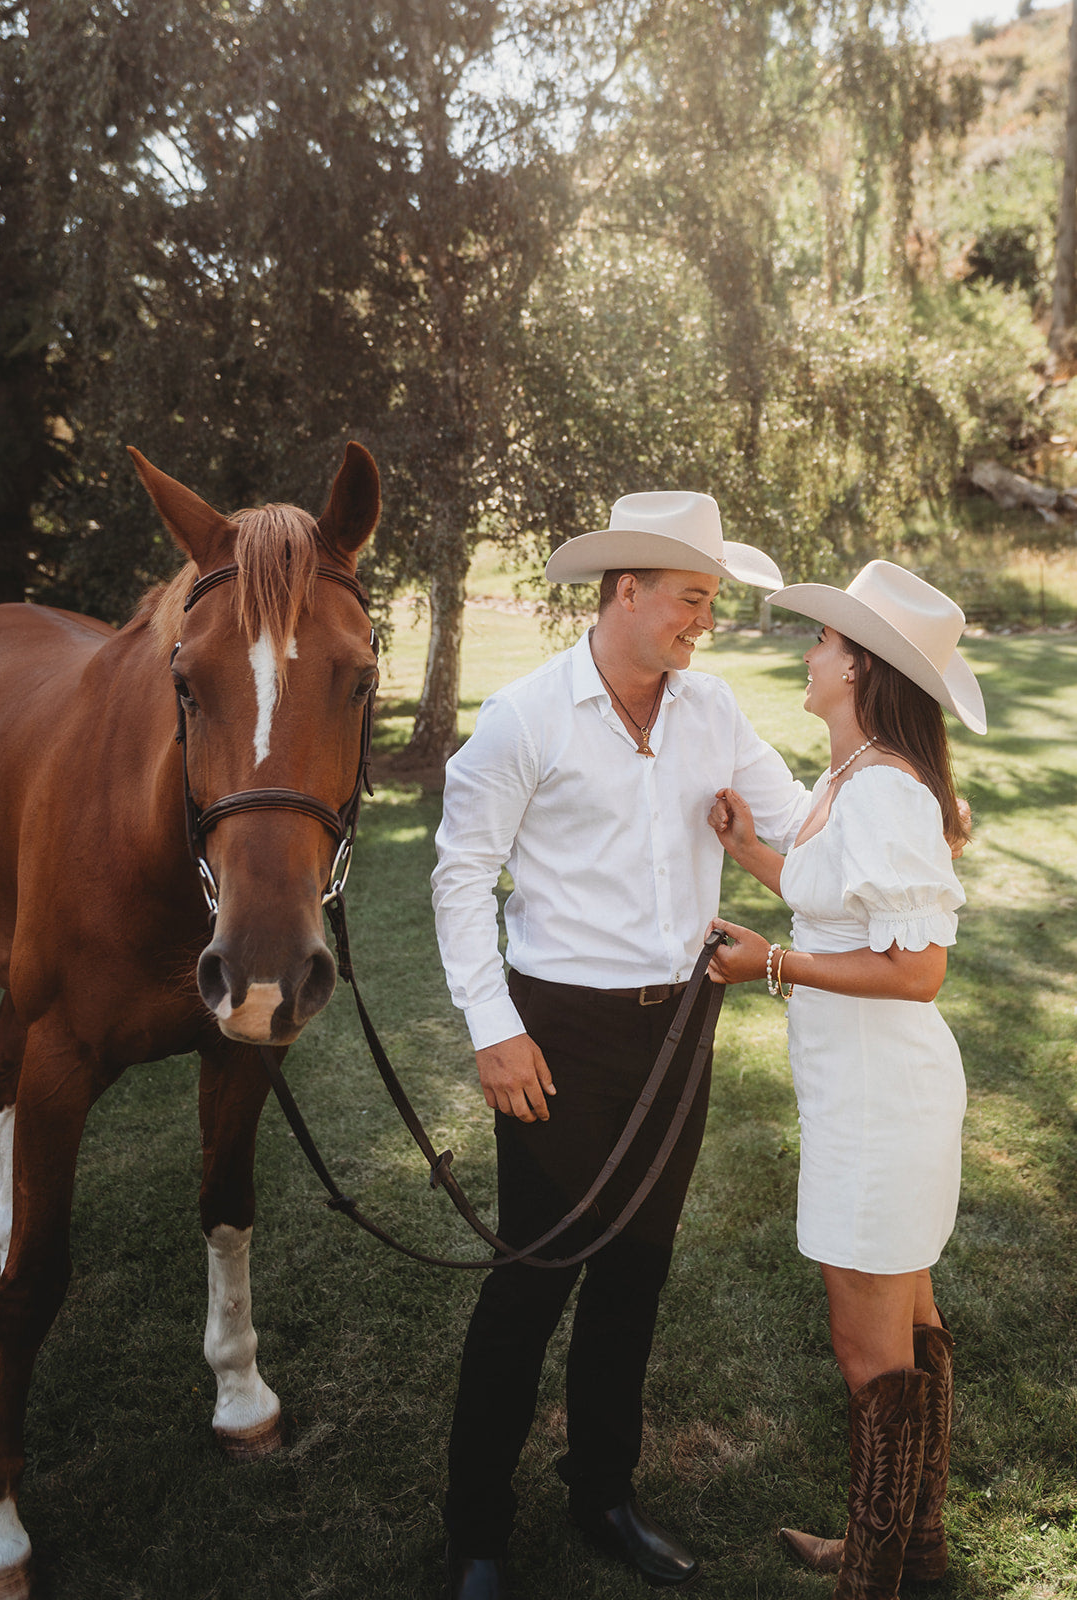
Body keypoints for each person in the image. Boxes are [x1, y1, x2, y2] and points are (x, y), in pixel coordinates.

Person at [430, 489, 814, 1600]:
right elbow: (459, 875)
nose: (706, 621)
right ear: (626, 589)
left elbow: (793, 824)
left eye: (712, 601)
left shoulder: (713, 710)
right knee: (531, 1279)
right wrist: (492, 1027)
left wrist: (891, 808)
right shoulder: (525, 715)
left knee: (635, 1275)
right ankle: (477, 1532)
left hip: (684, 1025)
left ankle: (603, 1492)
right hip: (556, 1032)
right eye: (692, 598)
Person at [704, 560, 987, 1600]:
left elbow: (917, 968)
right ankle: (915, 1551)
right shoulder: (847, 776)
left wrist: (768, 965)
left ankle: (873, 1576)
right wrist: (755, 856)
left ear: (859, 666)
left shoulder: (887, 793)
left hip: (883, 1103)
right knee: (905, 1326)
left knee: (868, 1345)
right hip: (857, 1092)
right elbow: (841, 898)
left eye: (825, 641)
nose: (810, 651)